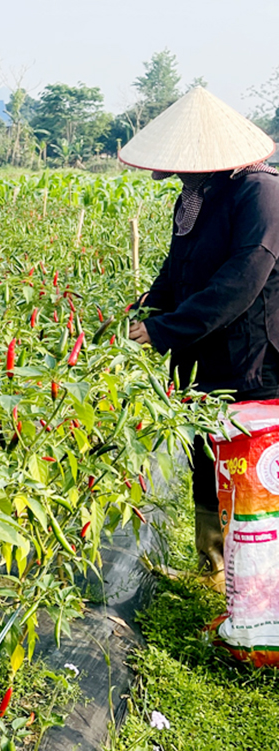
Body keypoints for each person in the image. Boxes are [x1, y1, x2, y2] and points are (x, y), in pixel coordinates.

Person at [120, 87, 279, 585]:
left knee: (251, 472)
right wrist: (141, 312)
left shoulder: (261, 192)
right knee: (206, 460)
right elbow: (176, 272)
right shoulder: (195, 198)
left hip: (254, 363)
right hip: (202, 361)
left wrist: (162, 329)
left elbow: (241, 281)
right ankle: (213, 570)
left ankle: (257, 587)